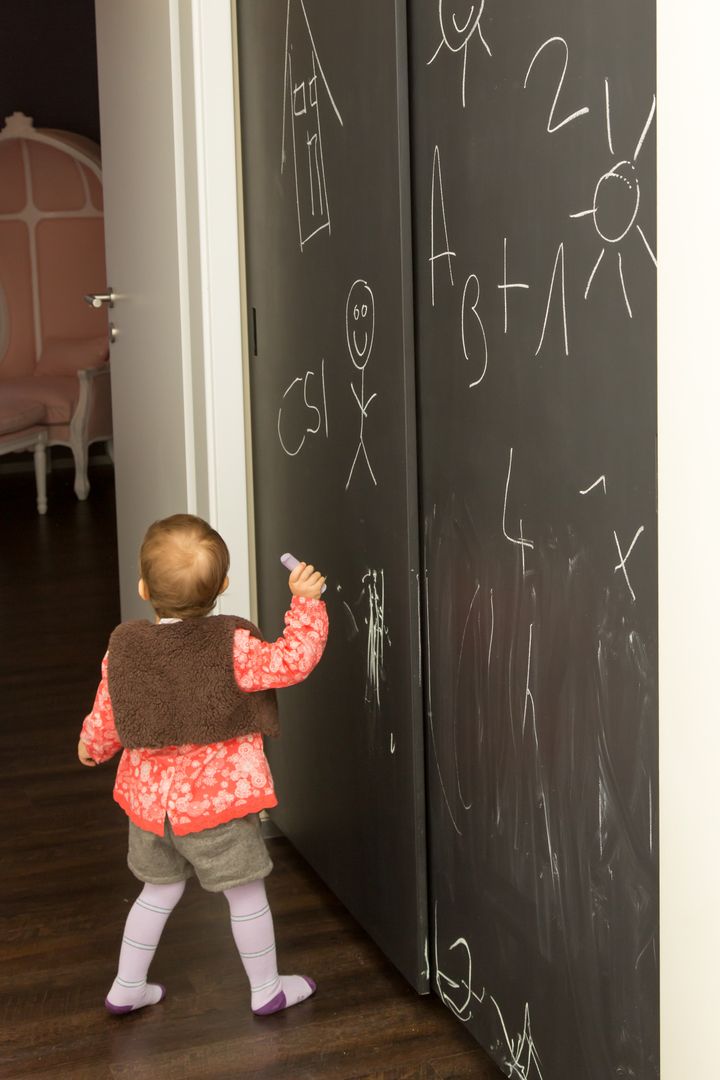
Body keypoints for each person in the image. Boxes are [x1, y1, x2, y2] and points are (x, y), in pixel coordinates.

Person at [77, 513, 328, 1017]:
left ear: (143, 587)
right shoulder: (231, 646)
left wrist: (91, 746)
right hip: (216, 807)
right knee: (246, 894)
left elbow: (109, 711)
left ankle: (128, 985)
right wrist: (306, 602)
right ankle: (266, 989)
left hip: (151, 809)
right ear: (224, 587)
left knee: (157, 892)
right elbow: (291, 661)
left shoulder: (123, 647)